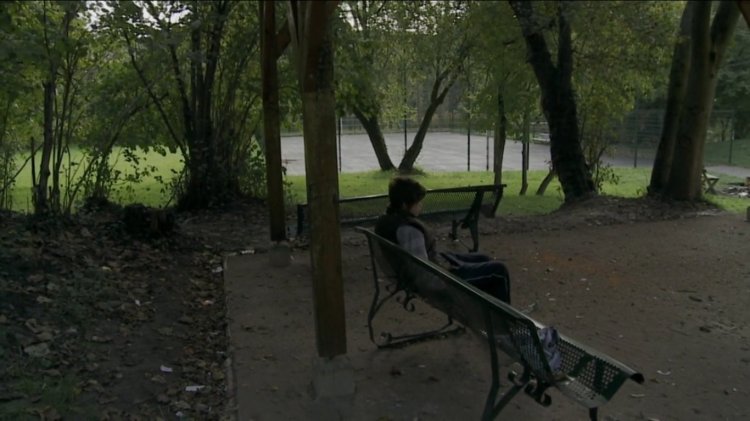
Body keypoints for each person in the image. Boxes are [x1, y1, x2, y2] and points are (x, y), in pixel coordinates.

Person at [374, 177, 512, 303]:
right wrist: (447, 283)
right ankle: (504, 320)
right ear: (404, 204)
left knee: (483, 258)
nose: (421, 205)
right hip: (441, 278)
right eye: (417, 202)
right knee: (498, 270)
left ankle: (490, 314)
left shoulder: (390, 220)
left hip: (438, 264)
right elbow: (421, 273)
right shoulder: (408, 230)